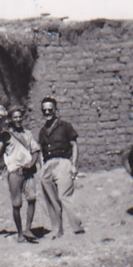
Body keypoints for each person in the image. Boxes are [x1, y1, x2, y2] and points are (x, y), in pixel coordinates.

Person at [37, 96, 85, 239]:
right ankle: (57, 230)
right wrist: (42, 166)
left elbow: (74, 145)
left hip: (63, 163)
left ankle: (78, 229)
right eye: (44, 110)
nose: (47, 113)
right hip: (47, 166)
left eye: (50, 110)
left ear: (56, 110)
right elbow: (40, 150)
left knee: (64, 196)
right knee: (50, 199)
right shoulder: (42, 131)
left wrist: (74, 165)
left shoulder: (65, 126)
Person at [0, 105, 40, 243]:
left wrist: (32, 163)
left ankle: (28, 229)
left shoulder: (28, 134)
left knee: (32, 198)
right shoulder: (6, 135)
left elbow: (35, 150)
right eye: (15, 117)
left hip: (28, 172)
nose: (18, 119)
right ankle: (20, 233)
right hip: (14, 172)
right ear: (11, 119)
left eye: (20, 117)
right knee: (17, 203)